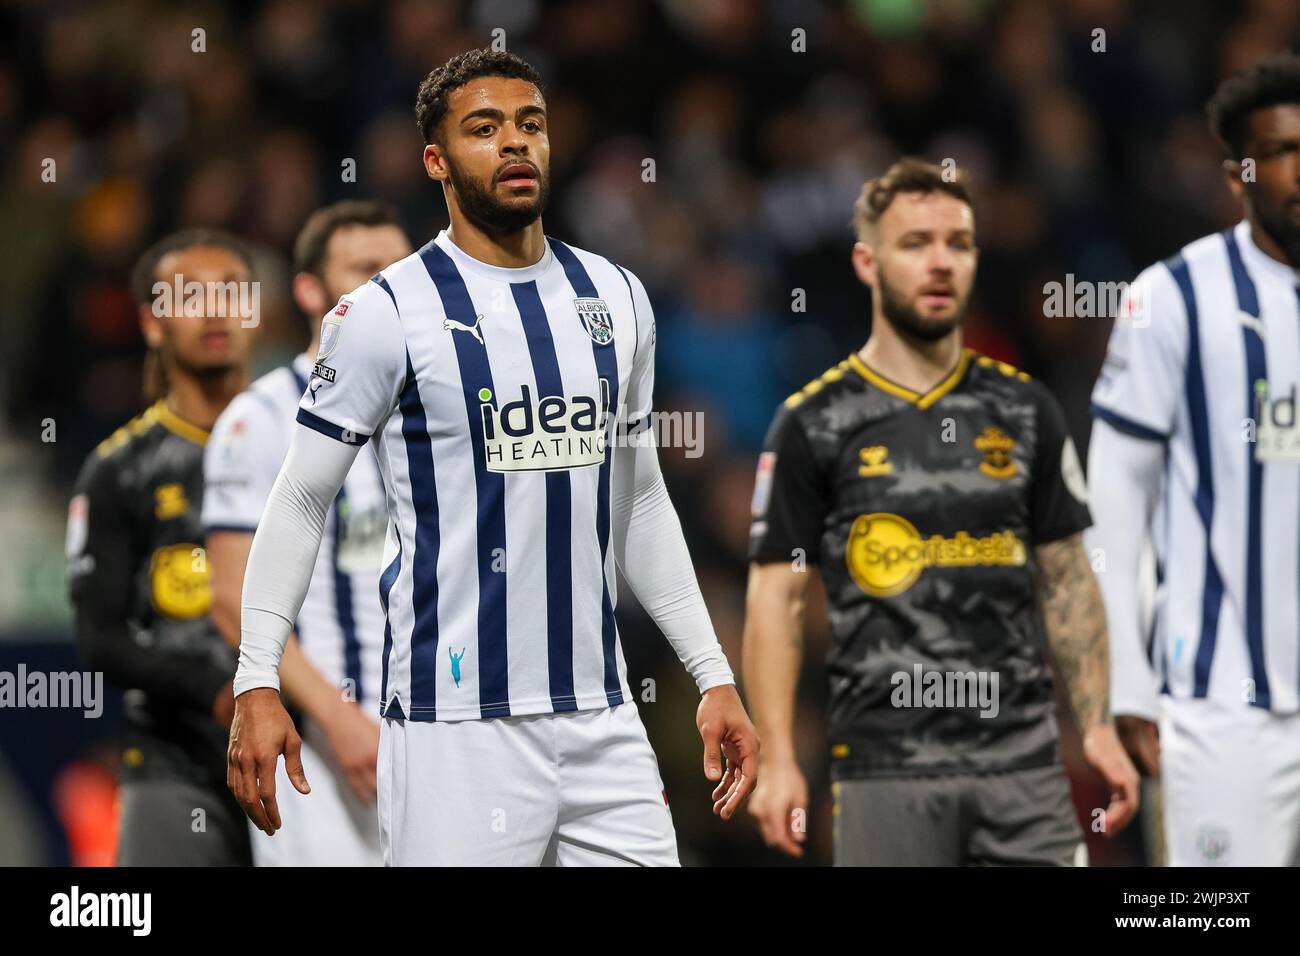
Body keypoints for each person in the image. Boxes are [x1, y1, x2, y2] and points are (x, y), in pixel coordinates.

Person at [225, 48, 759, 866]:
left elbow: (641, 501)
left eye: (530, 124)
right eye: (485, 128)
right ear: (436, 161)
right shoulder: (384, 313)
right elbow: (300, 500)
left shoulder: (616, 297)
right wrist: (257, 680)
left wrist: (711, 672)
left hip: (602, 716)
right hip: (453, 729)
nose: (515, 143)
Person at [743, 158, 1139, 865]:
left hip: (1024, 766)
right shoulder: (814, 423)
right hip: (883, 770)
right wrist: (776, 758)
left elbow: (1069, 576)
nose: (939, 263)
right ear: (867, 262)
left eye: (957, 244)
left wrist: (1097, 725)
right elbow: (775, 598)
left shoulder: (1027, 411)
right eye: (914, 243)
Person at [1089, 52, 1300, 866]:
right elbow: (1114, 492)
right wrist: (1128, 676)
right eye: (1282, 151)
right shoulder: (1171, 296)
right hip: (1220, 704)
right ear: (1238, 175)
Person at [203, 201, 411, 865]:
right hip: (322, 747)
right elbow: (231, 597)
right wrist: (335, 715)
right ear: (310, 291)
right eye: (367, 271)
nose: (391, 288)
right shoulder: (259, 419)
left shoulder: (441, 417)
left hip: (451, 737)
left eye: (403, 272)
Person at [68, 229, 258, 865]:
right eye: (190, 295)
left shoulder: (311, 447)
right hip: (173, 760)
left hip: (305, 756)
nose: (215, 310)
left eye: (233, 292)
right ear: (152, 323)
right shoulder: (120, 471)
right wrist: (217, 688)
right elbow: (101, 640)